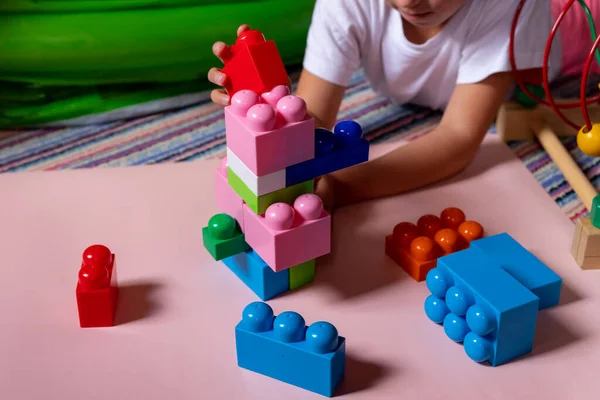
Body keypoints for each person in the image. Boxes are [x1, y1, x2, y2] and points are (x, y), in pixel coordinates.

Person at [208, 0, 558, 210]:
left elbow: (459, 137)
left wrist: (343, 186)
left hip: (546, 60)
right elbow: (309, 122)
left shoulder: (515, 7)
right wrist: (265, 104)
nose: (409, 1)